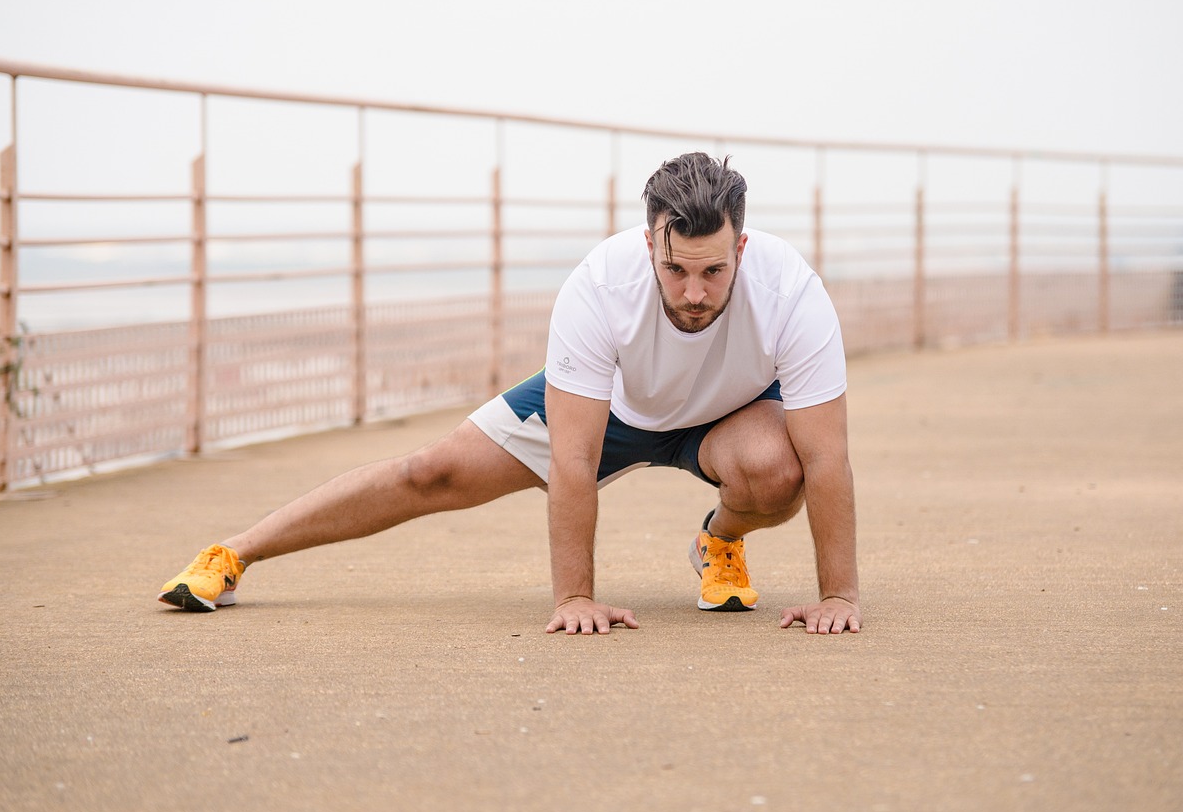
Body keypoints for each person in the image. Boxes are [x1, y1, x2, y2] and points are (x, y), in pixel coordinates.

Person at [158, 152, 860, 636]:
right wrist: (575, 596)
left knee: (779, 467)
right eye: (675, 269)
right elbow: (573, 461)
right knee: (429, 471)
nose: (694, 292)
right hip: (614, 405)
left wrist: (839, 596)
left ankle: (720, 544)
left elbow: (827, 458)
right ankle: (233, 553)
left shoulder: (790, 291)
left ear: (740, 249)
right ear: (650, 241)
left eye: (711, 270)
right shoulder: (599, 286)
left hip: (729, 415)